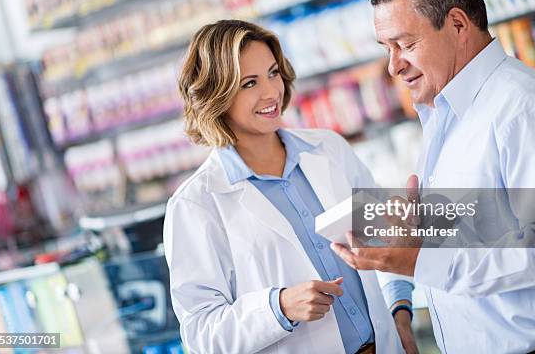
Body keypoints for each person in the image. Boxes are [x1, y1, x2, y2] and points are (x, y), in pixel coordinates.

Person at [330, 0, 535, 354]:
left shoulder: (528, 109)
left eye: (404, 44)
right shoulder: (445, 112)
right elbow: (492, 228)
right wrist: (413, 237)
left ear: (457, 24)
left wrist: (419, 259)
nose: (393, 66)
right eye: (385, 47)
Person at [163, 19, 417, 354]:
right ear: (216, 95)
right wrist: (278, 307)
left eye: (272, 73)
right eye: (249, 83)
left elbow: (380, 245)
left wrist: (399, 315)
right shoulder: (196, 204)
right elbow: (201, 334)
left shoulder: (329, 149)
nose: (271, 92)